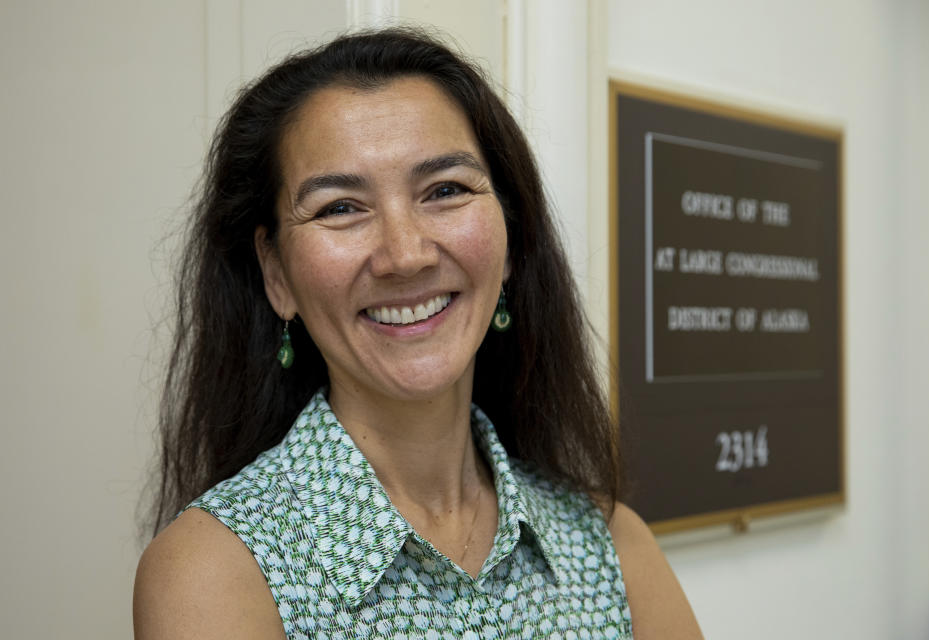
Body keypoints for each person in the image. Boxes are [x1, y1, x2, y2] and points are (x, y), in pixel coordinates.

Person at [134, 28, 702, 640]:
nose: (404, 255)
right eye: (340, 207)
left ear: (509, 239)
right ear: (277, 275)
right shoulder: (214, 570)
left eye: (446, 190)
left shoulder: (612, 545)